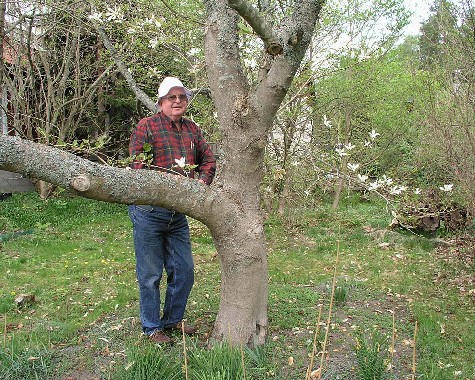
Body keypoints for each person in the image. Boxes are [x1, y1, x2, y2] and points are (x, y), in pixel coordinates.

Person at [128, 76, 216, 344]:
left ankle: (173, 320)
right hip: (149, 212)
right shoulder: (147, 127)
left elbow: (208, 160)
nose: (177, 101)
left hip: (178, 213)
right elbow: (137, 165)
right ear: (161, 102)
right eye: (171, 97)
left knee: (184, 270)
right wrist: (167, 184)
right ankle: (152, 327)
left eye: (181, 97)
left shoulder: (192, 129)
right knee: (151, 274)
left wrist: (201, 182)